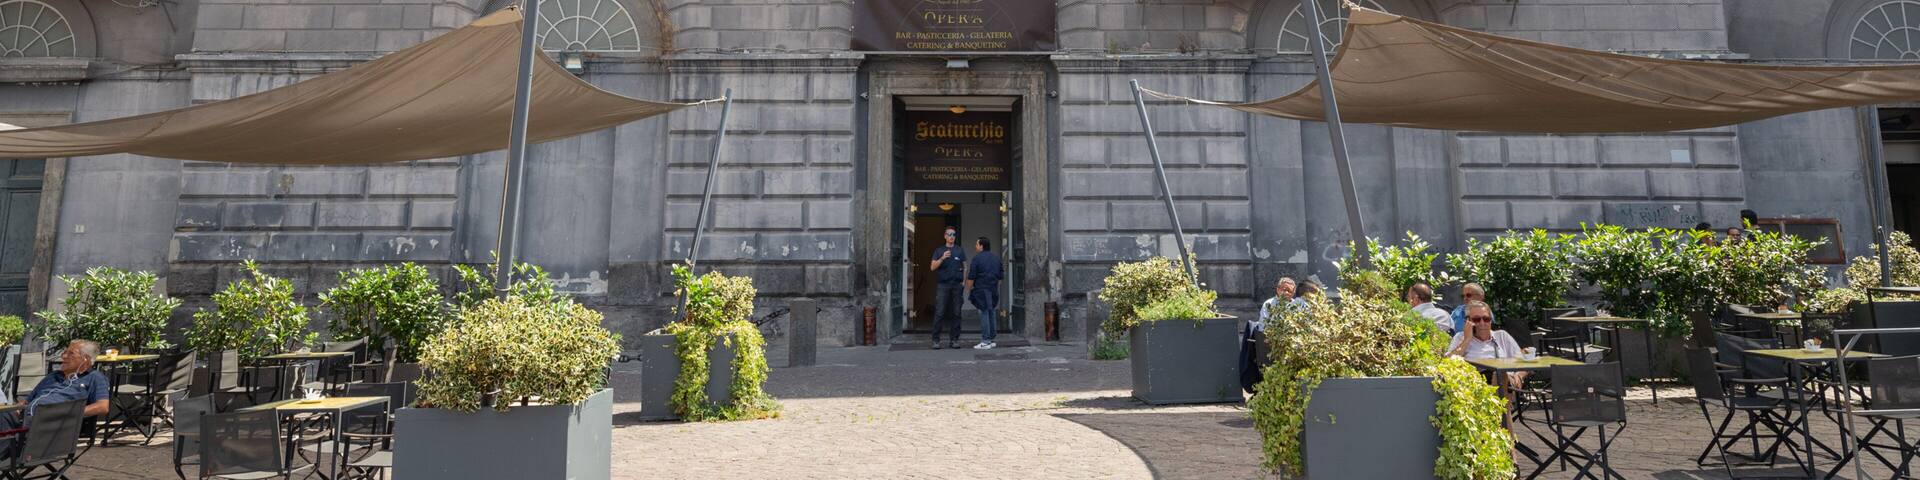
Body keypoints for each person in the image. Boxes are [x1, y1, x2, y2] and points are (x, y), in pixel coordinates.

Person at [0, 340, 110, 454]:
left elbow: (103, 406)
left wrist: (66, 413)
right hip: (26, 421)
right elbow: (26, 402)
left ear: (85, 359)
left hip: (51, 426)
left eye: (71, 353)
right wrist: (12, 409)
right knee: (3, 415)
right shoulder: (53, 376)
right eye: (64, 352)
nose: (64, 356)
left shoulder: (94, 377)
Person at [1243, 277, 1296, 394]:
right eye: (1284, 289)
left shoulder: (1297, 305)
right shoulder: (1269, 304)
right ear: (1278, 290)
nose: (1286, 293)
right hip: (1272, 345)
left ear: (1293, 293)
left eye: (1290, 291)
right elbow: (1264, 328)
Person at [928, 226, 966, 350]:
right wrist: (942, 258)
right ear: (945, 236)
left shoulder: (960, 250)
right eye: (949, 234)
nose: (951, 236)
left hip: (956, 285)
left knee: (956, 313)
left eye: (953, 234)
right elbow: (932, 267)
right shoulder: (939, 250)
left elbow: (965, 266)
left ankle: (954, 340)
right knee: (940, 312)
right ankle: (935, 340)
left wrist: (963, 283)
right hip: (943, 285)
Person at [967, 237, 1004, 350]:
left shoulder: (977, 259)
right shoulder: (996, 258)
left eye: (977, 244)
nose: (975, 246)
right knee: (991, 311)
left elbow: (971, 276)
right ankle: (991, 339)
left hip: (981, 289)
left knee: (983, 313)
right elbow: (1001, 277)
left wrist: (970, 289)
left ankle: (985, 340)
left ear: (981, 246)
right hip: (993, 289)